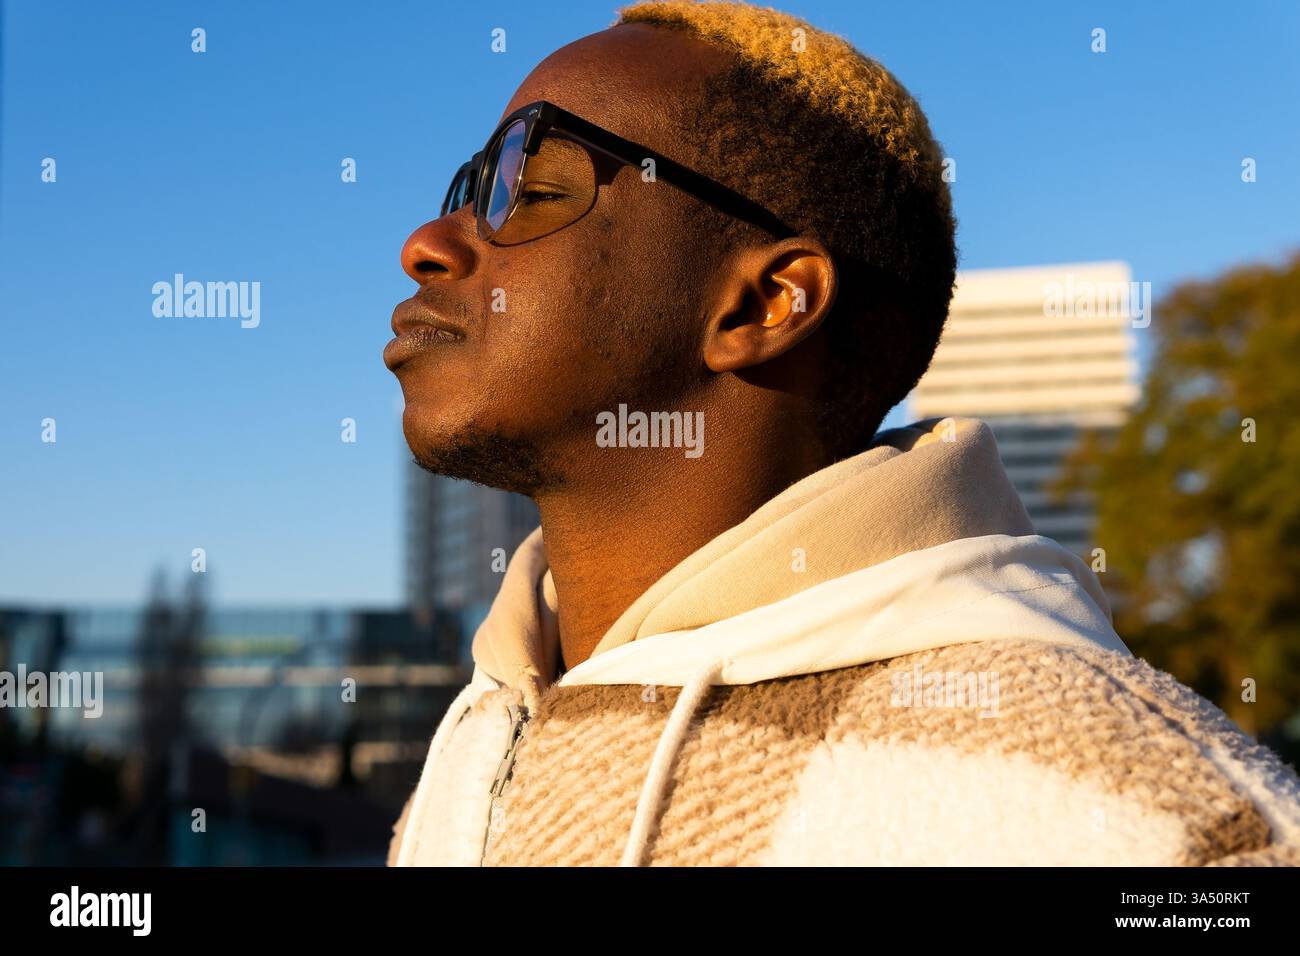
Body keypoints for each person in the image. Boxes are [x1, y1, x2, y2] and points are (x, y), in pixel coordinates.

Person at [383, 1, 1300, 865]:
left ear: (765, 303)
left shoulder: (1156, 823)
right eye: (470, 188)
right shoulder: (476, 740)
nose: (428, 240)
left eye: (533, 189)